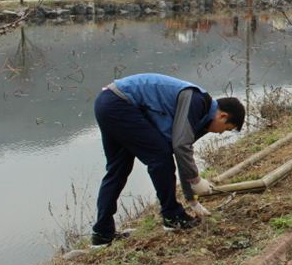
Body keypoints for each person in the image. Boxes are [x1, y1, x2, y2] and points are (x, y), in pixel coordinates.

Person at [91, 73, 245, 247]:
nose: (220, 133)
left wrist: (192, 200)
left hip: (107, 103)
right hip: (120, 103)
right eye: (226, 128)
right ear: (222, 116)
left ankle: (102, 234)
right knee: (160, 158)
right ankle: (172, 217)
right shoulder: (198, 101)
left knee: (118, 170)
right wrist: (196, 180)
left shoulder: (201, 115)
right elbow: (181, 147)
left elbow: (181, 153)